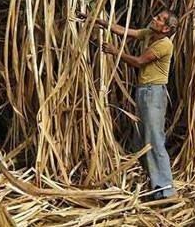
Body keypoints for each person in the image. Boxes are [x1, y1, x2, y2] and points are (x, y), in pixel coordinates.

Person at [77, 10, 179, 200]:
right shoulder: (149, 34)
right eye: (156, 16)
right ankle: (156, 188)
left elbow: (140, 62)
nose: (153, 18)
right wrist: (97, 20)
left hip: (154, 93)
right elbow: (122, 31)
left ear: (166, 28)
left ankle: (166, 190)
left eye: (158, 19)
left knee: (154, 140)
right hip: (145, 92)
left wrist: (115, 52)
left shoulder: (164, 44)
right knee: (141, 142)